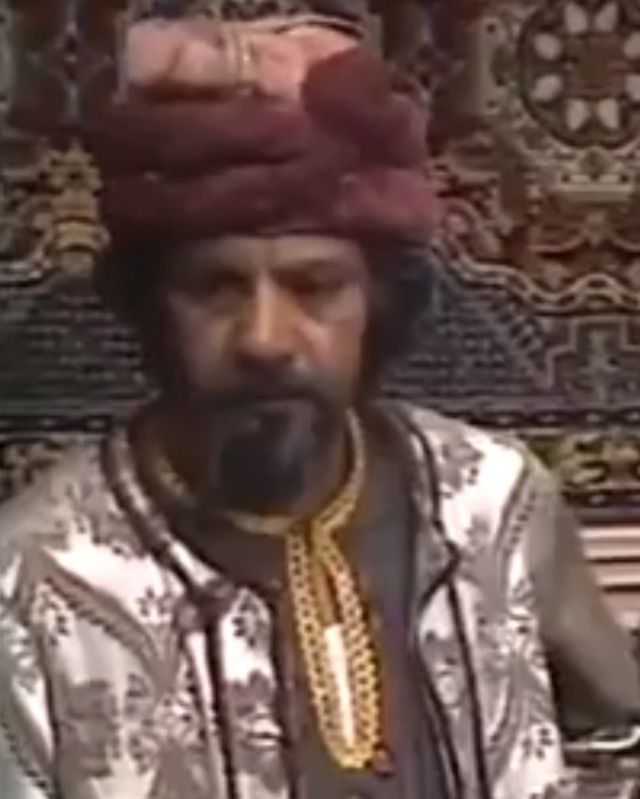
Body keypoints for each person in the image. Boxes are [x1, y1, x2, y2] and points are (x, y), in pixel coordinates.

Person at [0, 11, 639, 799]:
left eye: (314, 286)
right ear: (150, 307)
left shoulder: (495, 502)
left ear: (380, 302)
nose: (265, 338)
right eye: (215, 288)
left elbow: (619, 736)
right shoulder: (34, 578)